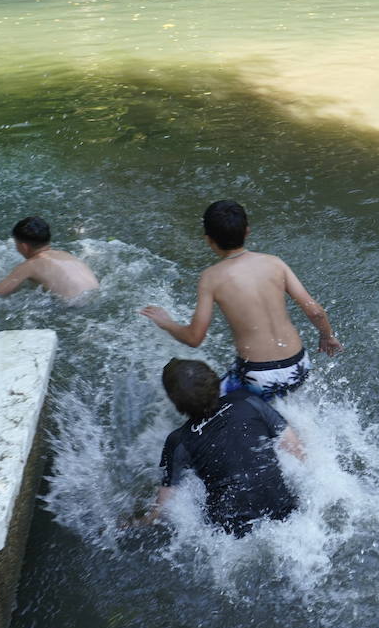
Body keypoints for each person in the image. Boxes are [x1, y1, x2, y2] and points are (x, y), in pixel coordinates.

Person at [141, 200, 341, 399]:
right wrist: (327, 336)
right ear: (247, 231)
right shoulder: (275, 263)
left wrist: (166, 322)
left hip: (258, 375)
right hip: (299, 365)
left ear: (208, 240)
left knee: (205, 407)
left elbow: (194, 338)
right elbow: (314, 310)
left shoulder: (211, 278)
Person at [130, 358, 305, 536]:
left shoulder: (178, 441)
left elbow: (163, 510)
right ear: (214, 380)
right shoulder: (248, 401)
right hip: (284, 509)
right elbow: (298, 451)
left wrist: (136, 522)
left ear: (176, 402)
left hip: (230, 533)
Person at [0, 216, 99, 302]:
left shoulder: (30, 266)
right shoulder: (65, 255)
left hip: (74, 307)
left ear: (24, 246)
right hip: (96, 297)